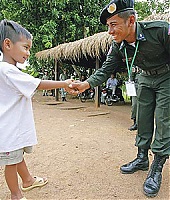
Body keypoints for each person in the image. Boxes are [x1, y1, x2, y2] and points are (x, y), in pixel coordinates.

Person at [70, 0, 170, 197]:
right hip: (143, 79)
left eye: (113, 24)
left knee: (164, 120)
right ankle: (142, 158)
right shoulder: (118, 45)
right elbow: (106, 69)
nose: (110, 31)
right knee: (141, 119)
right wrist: (86, 84)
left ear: (131, 20)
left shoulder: (160, 30)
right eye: (108, 26)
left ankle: (157, 166)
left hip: (166, 78)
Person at [0, 19, 73, 200]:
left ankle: (27, 180)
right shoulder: (7, 70)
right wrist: (64, 83)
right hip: (9, 130)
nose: (28, 53)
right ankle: (15, 195)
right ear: (7, 44)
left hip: (12, 129)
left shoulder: (8, 70)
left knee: (17, 157)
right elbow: (38, 84)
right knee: (11, 163)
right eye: (25, 47)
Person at [128, 66, 140, 131]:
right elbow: (131, 76)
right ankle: (135, 123)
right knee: (135, 105)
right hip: (136, 87)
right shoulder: (135, 64)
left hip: (146, 86)